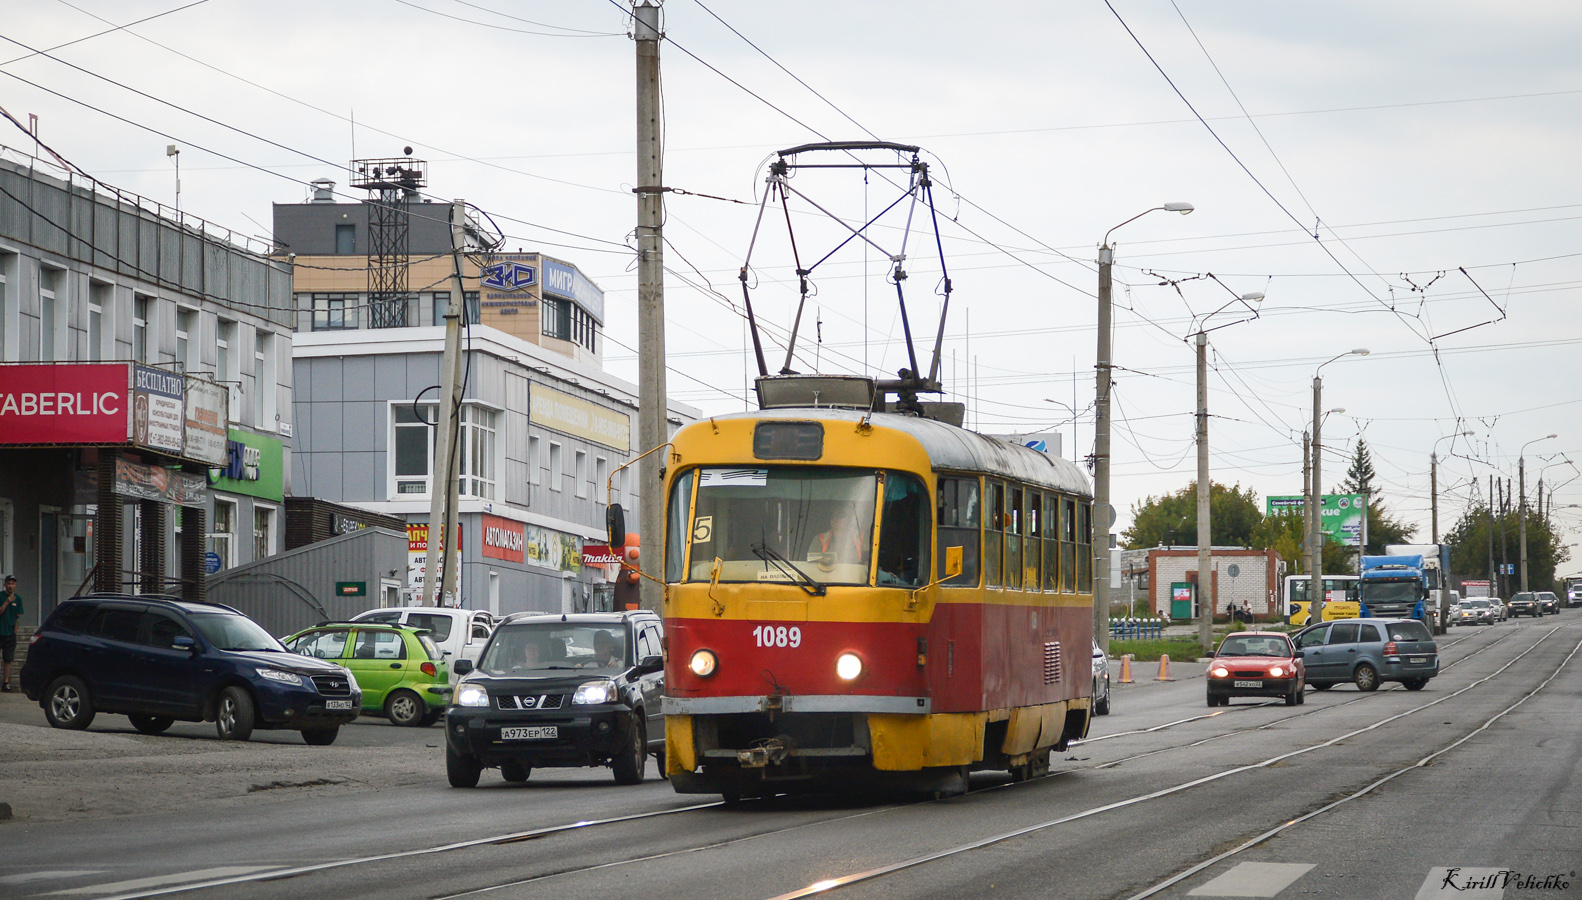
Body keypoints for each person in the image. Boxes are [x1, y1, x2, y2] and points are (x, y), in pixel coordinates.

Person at [0, 576, 23, 693]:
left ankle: (6, 683)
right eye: (8, 583)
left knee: (8, 658)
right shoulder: (1, 596)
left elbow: (18, 615)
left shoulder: (18, 599)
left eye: (13, 584)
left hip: (10, 633)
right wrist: (7, 602)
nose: (10, 586)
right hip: (0, 630)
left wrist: (16, 627)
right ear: (5, 585)